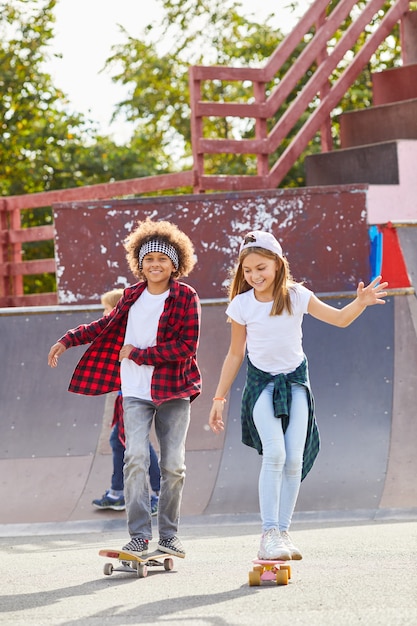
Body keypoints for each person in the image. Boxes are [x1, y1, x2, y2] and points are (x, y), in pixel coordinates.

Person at [208, 230, 388, 561]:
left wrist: (359, 303)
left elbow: (339, 319)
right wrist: (219, 398)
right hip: (261, 385)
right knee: (275, 454)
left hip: (296, 384)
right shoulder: (242, 305)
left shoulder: (297, 295)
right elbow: (235, 354)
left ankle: (283, 532)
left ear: (277, 265)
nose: (254, 276)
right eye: (247, 270)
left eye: (261, 268)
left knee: (294, 458)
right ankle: (268, 533)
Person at [48, 218, 201, 558]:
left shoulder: (186, 297)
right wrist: (68, 339)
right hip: (135, 392)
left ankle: (170, 536)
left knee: (174, 465)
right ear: (140, 264)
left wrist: (139, 355)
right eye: (149, 260)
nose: (155, 265)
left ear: (175, 263)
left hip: (174, 390)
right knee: (134, 458)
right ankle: (139, 535)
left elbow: (186, 346)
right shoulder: (132, 296)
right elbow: (103, 325)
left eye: (162, 259)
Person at [92, 289, 161, 515]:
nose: (104, 314)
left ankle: (161, 493)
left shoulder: (129, 333)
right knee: (118, 440)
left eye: (106, 310)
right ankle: (117, 492)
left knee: (138, 443)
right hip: (125, 397)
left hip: (136, 396)